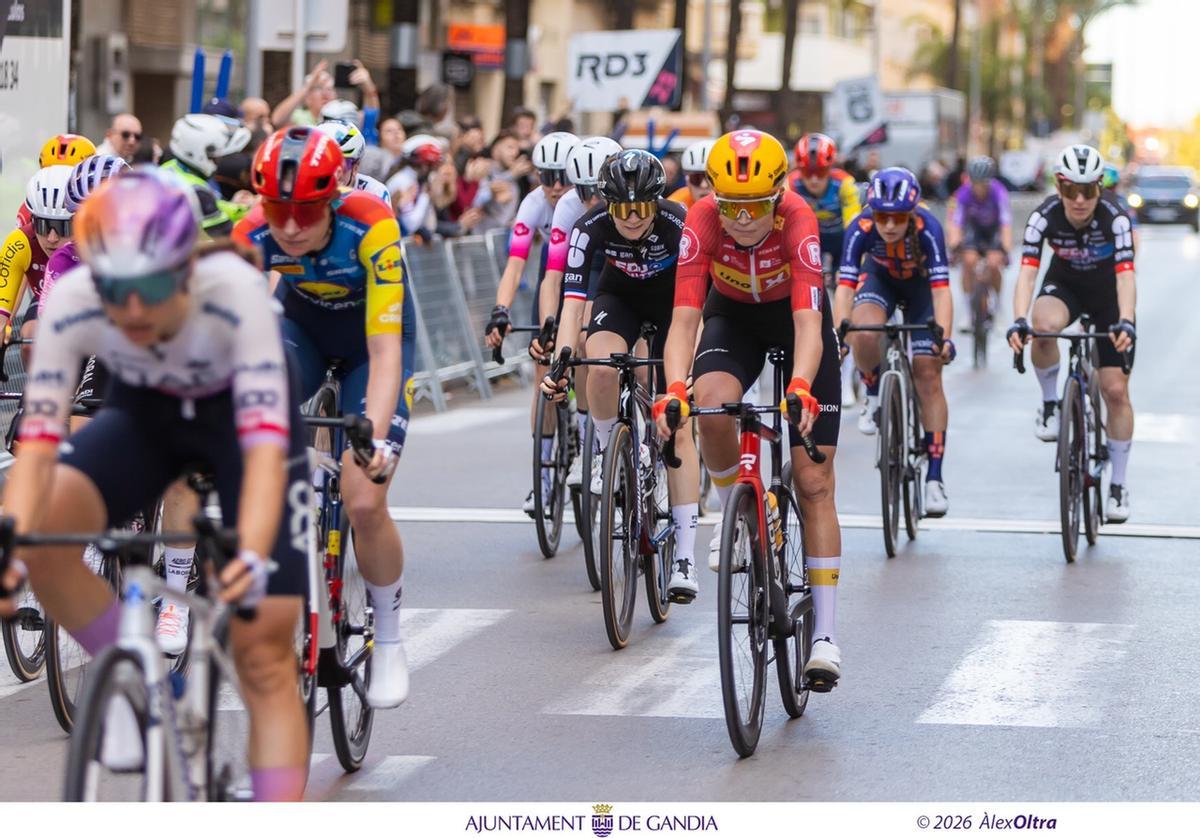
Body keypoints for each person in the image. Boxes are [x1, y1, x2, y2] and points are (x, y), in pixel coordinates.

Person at [5, 168, 312, 800]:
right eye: (118, 289)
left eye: (150, 287)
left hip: (241, 421)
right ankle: (136, 674)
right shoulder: (76, 294)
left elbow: (260, 452)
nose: (133, 308)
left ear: (186, 267)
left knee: (264, 648)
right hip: (146, 412)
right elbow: (37, 444)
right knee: (42, 537)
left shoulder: (235, 294)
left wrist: (253, 551)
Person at [654, 130, 844, 686]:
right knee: (710, 406)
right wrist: (672, 387)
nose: (741, 219)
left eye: (756, 206)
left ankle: (827, 635)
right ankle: (734, 508)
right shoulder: (703, 220)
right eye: (730, 205)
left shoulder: (799, 218)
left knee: (813, 481)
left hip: (795, 320)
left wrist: (803, 384)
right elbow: (684, 322)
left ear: (779, 193)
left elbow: (810, 324)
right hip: (733, 318)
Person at [233, 126, 413, 708]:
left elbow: (386, 352)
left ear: (333, 195)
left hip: (371, 341)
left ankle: (388, 638)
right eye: (276, 207)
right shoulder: (252, 232)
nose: (288, 225)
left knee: (364, 498)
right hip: (301, 330)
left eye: (305, 209)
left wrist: (375, 439)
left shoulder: (372, 225)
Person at [541, 150, 702, 599]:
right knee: (600, 364)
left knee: (677, 419)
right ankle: (607, 445)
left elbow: (697, 307)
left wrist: (690, 369)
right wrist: (562, 358)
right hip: (621, 298)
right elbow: (573, 304)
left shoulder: (679, 222)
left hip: (675, 303)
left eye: (642, 208)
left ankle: (685, 557)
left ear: (657, 202)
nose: (632, 218)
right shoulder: (588, 227)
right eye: (622, 209)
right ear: (606, 204)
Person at [1006, 144, 1136, 522]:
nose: (1079, 200)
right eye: (1070, 190)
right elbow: (1028, 272)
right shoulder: (1043, 216)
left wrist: (1125, 320)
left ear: (1100, 188)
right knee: (1042, 327)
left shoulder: (1117, 217)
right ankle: (1050, 405)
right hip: (1064, 288)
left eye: (1089, 190)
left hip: (1108, 296)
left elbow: (1127, 275)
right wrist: (1018, 318)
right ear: (1058, 187)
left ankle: (1118, 484)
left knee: (1115, 390)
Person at [836, 167, 955, 517]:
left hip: (921, 291)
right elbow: (844, 288)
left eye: (898, 217)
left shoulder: (929, 229)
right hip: (880, 281)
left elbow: (942, 291)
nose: (888, 225)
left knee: (928, 373)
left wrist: (944, 338)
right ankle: (872, 392)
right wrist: (841, 333)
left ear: (912, 212)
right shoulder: (859, 227)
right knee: (864, 330)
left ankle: (934, 479)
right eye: (882, 216)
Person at [483, 131, 580, 515]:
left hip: (591, 271)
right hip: (552, 276)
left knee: (589, 353)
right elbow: (515, 264)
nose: (556, 187)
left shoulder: (585, 199)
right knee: (544, 366)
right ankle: (540, 480)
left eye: (564, 177)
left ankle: (593, 444)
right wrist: (500, 311)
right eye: (546, 177)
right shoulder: (534, 204)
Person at [534, 136, 622, 489]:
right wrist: (548, 331)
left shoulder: (628, 203)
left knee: (594, 340)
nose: (592, 201)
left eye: (598, 191)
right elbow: (554, 278)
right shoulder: (570, 207)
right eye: (584, 191)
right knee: (573, 345)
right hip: (590, 262)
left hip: (621, 267)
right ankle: (584, 444)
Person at [0, 166, 75, 339]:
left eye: (63, 227)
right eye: (43, 225)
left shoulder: (98, 243)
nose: (52, 238)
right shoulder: (20, 242)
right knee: (30, 341)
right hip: (55, 313)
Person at [162, 113, 253, 235]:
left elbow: (216, 206)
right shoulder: (196, 191)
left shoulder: (170, 168)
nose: (217, 162)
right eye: (214, 157)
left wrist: (244, 209)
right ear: (200, 153)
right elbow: (228, 235)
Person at [789, 133, 861, 285]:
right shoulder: (791, 184)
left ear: (830, 168)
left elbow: (853, 225)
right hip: (808, 240)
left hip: (840, 239)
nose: (814, 179)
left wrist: (850, 262)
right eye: (807, 172)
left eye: (820, 172)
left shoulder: (844, 183)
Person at [945, 156, 1011, 304]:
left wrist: (1005, 249)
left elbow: (1005, 223)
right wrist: (954, 245)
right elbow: (955, 222)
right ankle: (968, 307)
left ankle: (998, 303)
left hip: (993, 230)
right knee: (968, 261)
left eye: (984, 183)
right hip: (973, 229)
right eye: (976, 183)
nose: (980, 188)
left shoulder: (999, 192)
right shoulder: (961, 194)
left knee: (994, 263)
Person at [316, 120, 392, 205]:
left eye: (341, 164)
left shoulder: (374, 191)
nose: (334, 173)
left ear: (355, 168)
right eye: (324, 163)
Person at [270, 59, 336, 128]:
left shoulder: (341, 116)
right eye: (319, 88)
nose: (325, 94)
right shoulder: (300, 117)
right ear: (307, 98)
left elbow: (348, 135)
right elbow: (277, 120)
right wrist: (308, 86)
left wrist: (346, 137)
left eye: (330, 89)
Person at [666, 140, 715, 210]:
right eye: (696, 178)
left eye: (710, 178)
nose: (703, 185)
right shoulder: (674, 205)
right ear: (688, 182)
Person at [359, 117, 406, 182]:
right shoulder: (372, 155)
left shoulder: (410, 157)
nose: (396, 133)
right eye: (389, 131)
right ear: (380, 137)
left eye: (399, 129)